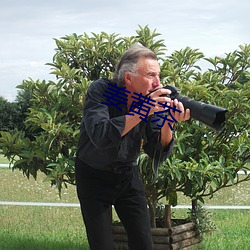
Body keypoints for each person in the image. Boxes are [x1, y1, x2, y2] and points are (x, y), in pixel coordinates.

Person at [75, 44, 190, 250]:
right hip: (93, 176)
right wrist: (143, 110)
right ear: (128, 78)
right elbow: (101, 135)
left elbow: (156, 151)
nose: (158, 83)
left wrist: (168, 123)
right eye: (151, 75)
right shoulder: (105, 91)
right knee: (101, 245)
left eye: (159, 75)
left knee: (144, 243)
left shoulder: (149, 101)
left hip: (127, 175)